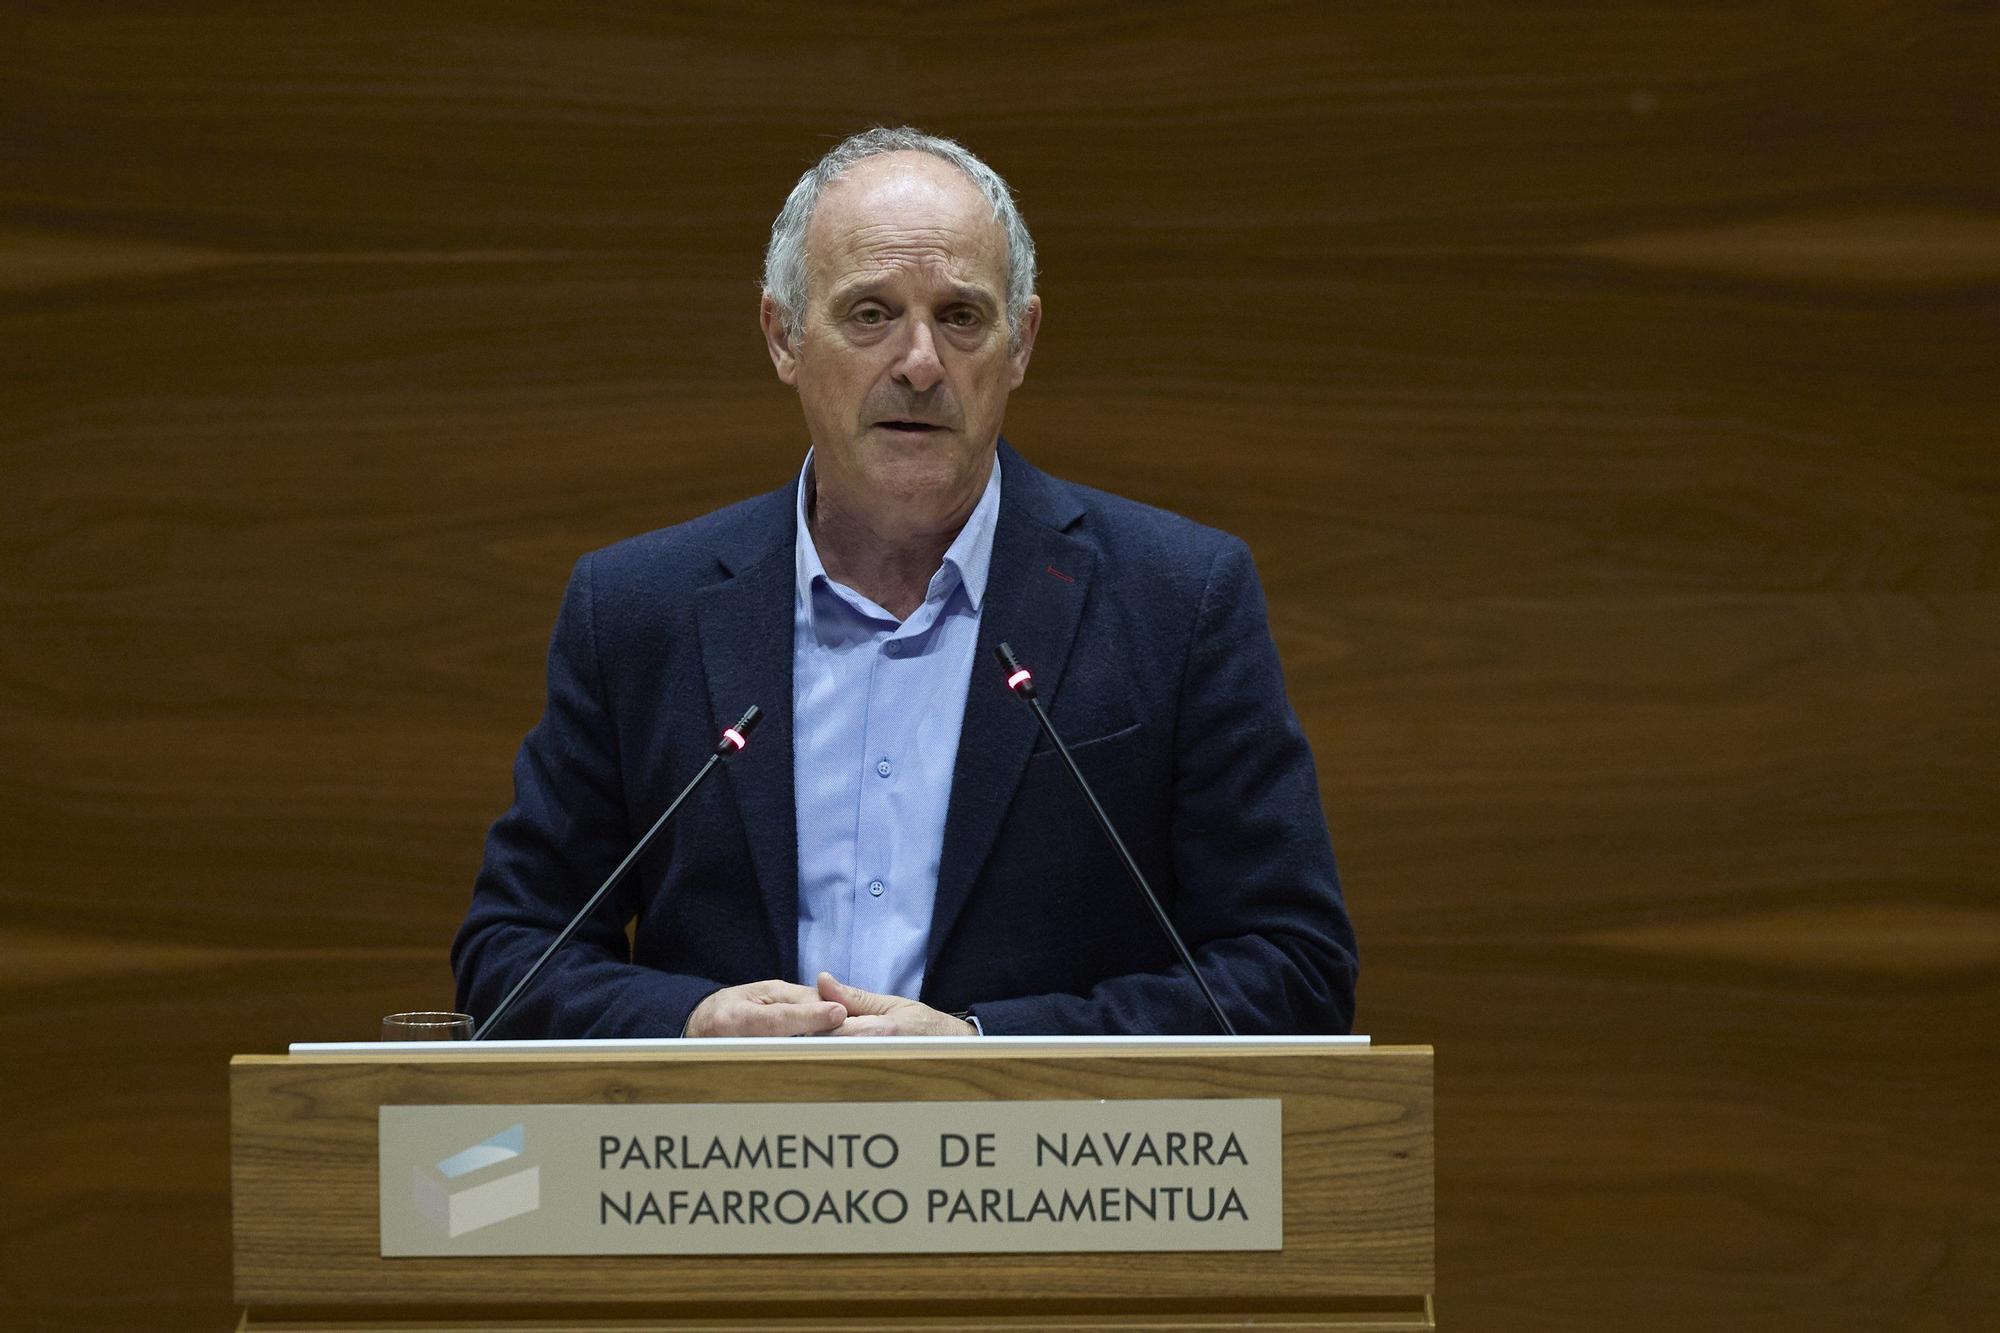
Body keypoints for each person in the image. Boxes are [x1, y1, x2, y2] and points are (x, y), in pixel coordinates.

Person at [452, 127, 1356, 1038]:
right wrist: (690, 1023)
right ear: (783, 337)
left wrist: (982, 1048)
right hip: (713, 1171)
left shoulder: (1176, 600)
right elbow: (511, 952)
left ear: (1022, 342)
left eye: (961, 317)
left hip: (1044, 1175)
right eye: (870, 314)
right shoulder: (639, 610)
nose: (920, 363)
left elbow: (1293, 968)